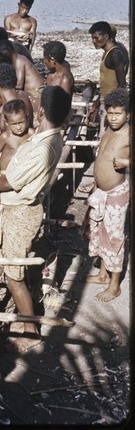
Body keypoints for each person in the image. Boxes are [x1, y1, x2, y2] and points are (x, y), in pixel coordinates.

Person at [0, 85, 72, 354]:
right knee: (18, 268)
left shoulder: (42, 147)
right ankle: (26, 316)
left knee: (13, 275)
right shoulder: (43, 138)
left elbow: (8, 182)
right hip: (17, 210)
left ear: (40, 110)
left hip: (20, 213)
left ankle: (31, 331)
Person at [85, 89, 130, 302]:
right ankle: (103, 274)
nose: (113, 118)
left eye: (118, 114)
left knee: (114, 238)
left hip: (116, 194)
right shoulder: (109, 129)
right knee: (101, 231)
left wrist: (126, 163)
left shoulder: (128, 133)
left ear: (127, 114)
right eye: (110, 113)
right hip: (102, 192)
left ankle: (114, 286)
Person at [0, 99, 33, 247]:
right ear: (7, 124)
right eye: (14, 124)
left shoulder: (31, 134)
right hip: (3, 172)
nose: (19, 127)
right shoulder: (6, 136)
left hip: (20, 174)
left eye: (21, 122)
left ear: (27, 118)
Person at [87, 21, 127, 138]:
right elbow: (107, 85)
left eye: (96, 38)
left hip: (112, 103)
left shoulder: (115, 55)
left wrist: (112, 112)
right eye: (92, 38)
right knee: (102, 136)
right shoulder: (106, 54)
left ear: (106, 37)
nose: (94, 41)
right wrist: (96, 104)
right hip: (106, 100)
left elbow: (121, 86)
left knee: (105, 138)